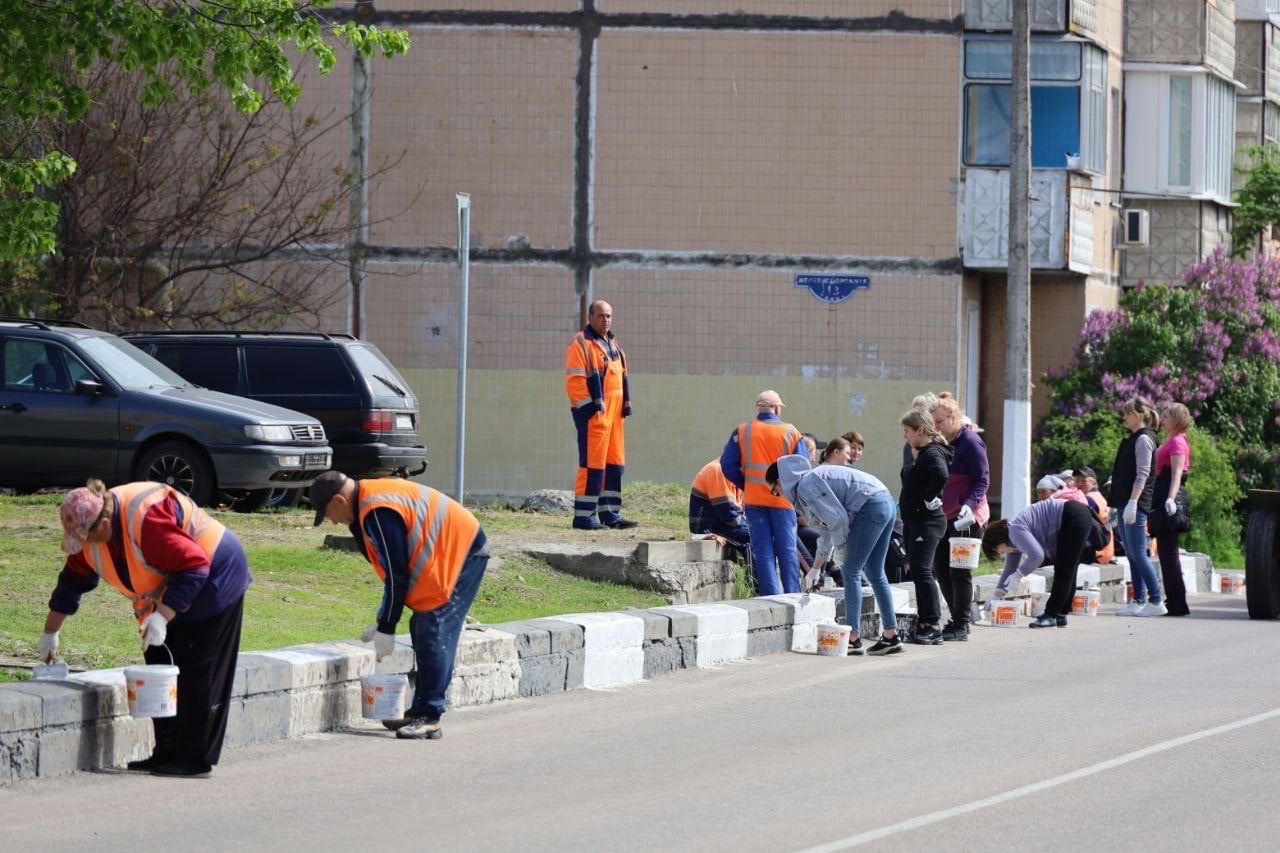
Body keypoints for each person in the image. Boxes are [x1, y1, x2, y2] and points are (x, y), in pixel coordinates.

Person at [42, 479, 253, 777]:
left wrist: (162, 616)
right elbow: (71, 582)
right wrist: (51, 632)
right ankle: (165, 752)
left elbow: (194, 566)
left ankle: (194, 757)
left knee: (194, 667)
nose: (83, 544)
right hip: (175, 582)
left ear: (103, 524)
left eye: (85, 536)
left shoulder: (146, 520)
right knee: (158, 667)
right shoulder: (90, 534)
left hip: (216, 574)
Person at [311, 471, 489, 740]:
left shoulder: (377, 510)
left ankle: (430, 716)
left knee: (433, 628)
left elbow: (398, 574)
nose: (330, 521)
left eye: (326, 513)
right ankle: (419, 711)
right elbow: (389, 575)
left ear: (338, 499)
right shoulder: (364, 509)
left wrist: (387, 627)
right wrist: (384, 618)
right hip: (449, 552)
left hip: (463, 552)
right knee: (421, 624)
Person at [767, 455, 904, 656]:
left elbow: (837, 520)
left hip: (870, 505)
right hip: (885, 502)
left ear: (781, 481)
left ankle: (853, 638)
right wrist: (816, 567)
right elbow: (825, 529)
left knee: (850, 571)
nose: (778, 496)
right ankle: (891, 635)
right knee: (875, 572)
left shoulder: (806, 485)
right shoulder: (808, 482)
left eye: (774, 491)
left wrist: (841, 549)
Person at [720, 390, 804, 595]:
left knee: (763, 550)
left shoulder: (742, 431)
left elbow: (727, 464)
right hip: (783, 502)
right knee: (787, 550)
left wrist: (747, 484)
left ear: (758, 407)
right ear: (776, 408)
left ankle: (770, 596)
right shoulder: (791, 432)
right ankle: (793, 594)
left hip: (755, 500)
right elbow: (802, 468)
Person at [565, 299, 635, 530]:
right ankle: (584, 516)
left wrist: (624, 406)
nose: (606, 320)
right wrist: (589, 412)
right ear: (590, 317)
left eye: (609, 316)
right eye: (601, 316)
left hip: (614, 416)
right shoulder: (581, 344)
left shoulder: (612, 343)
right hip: (596, 414)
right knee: (592, 465)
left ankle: (610, 514)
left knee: (614, 465)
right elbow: (575, 383)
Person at [928, 396, 990, 641]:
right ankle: (955, 617)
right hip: (945, 514)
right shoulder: (944, 443)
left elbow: (983, 480)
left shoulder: (971, 442)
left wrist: (969, 505)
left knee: (959, 571)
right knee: (941, 568)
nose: (936, 427)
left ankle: (961, 624)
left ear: (953, 418)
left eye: (939, 421)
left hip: (967, 517)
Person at [982, 498, 1094, 628]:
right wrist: (997, 594)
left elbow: (1037, 555)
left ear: (998, 541)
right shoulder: (1013, 540)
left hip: (1072, 516)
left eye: (997, 550)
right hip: (1077, 515)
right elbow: (1009, 569)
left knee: (1064, 569)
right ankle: (1060, 615)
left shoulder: (1015, 532)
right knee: (1068, 568)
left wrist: (1019, 575)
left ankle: (1051, 615)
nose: (1001, 553)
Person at [1108, 397, 1166, 617]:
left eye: (1127, 413)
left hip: (1135, 503)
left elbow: (1143, 473)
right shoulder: (1132, 438)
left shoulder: (1144, 439)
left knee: (1139, 554)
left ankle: (1156, 599)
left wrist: (1133, 501)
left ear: (1139, 415)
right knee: (1132, 554)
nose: (1124, 417)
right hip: (1124, 502)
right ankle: (1139, 599)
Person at [899, 408, 951, 644]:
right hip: (917, 521)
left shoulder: (932, 453)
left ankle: (931, 623)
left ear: (920, 430)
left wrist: (928, 498)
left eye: (907, 431)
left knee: (922, 571)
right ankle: (926, 621)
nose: (905, 436)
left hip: (926, 522)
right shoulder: (925, 453)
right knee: (922, 572)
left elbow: (941, 475)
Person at [1150, 402, 1194, 616]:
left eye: (1166, 416)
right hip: (1162, 495)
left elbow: (1176, 473)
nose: (1163, 419)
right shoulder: (1172, 440)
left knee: (1169, 553)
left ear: (1176, 419)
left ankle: (1177, 602)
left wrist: (1171, 499)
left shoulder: (1178, 442)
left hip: (1168, 497)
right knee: (1166, 552)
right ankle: (1175, 600)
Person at [689, 457, 750, 551]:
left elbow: (740, 510)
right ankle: (757, 566)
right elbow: (726, 512)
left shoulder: (737, 474)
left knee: (761, 533)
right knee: (755, 537)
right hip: (707, 527)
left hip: (725, 523)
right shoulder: (719, 470)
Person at [1072, 466, 1114, 564]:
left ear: (1093, 482)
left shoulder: (1088, 499)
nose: (1079, 484)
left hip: (1098, 552)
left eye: (1084, 481)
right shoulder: (1098, 496)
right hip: (1106, 550)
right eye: (1077, 480)